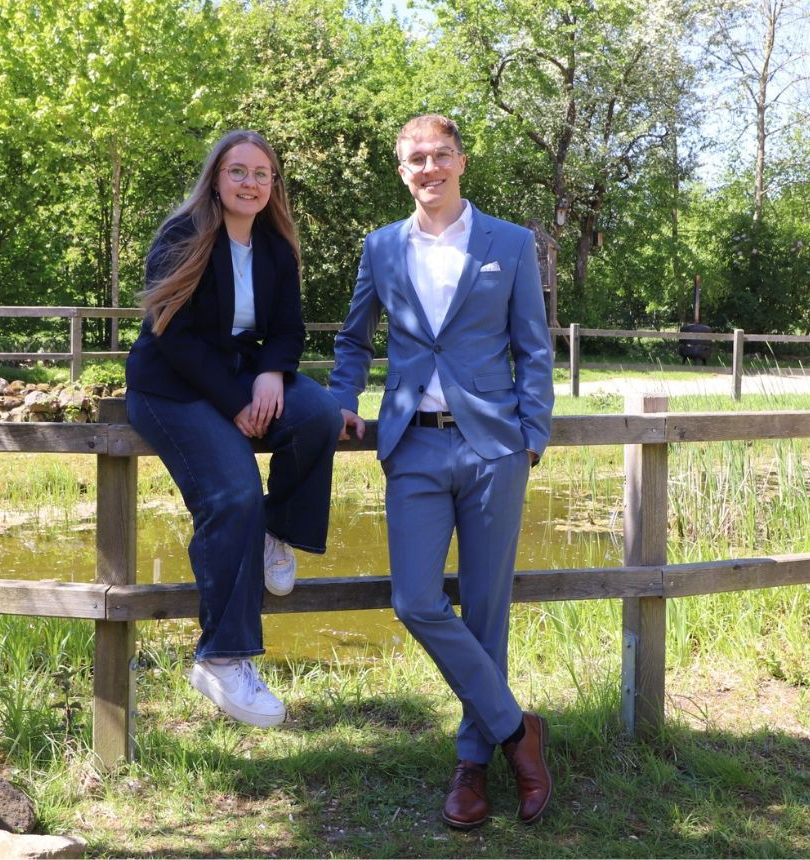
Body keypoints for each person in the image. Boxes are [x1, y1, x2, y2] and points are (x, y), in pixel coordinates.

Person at [329, 114, 555, 828]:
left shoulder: (511, 244)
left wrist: (532, 434)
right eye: (415, 159)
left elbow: (534, 346)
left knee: (487, 611)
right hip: (414, 448)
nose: (429, 168)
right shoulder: (379, 248)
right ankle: (519, 732)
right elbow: (352, 338)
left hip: (494, 449)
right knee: (417, 600)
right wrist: (342, 400)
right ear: (402, 171)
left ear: (462, 163)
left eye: (441, 156)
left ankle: (471, 767)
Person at [127, 130, 342, 728]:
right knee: (234, 493)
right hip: (173, 386)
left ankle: (279, 530)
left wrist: (273, 374)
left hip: (245, 377)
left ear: (274, 184)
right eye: (238, 171)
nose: (250, 183)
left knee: (318, 416)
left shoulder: (276, 246)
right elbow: (174, 334)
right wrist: (234, 403)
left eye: (262, 173)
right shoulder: (183, 234)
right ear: (217, 178)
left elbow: (289, 329)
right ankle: (222, 658)